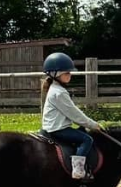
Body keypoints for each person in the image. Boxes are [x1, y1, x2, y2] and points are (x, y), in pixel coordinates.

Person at [41, 52, 103, 180]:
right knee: (87, 139)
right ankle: (78, 170)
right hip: (58, 129)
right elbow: (74, 114)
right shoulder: (59, 93)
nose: (70, 75)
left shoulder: (56, 89)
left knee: (82, 130)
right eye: (67, 73)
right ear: (56, 74)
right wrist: (93, 125)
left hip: (55, 126)